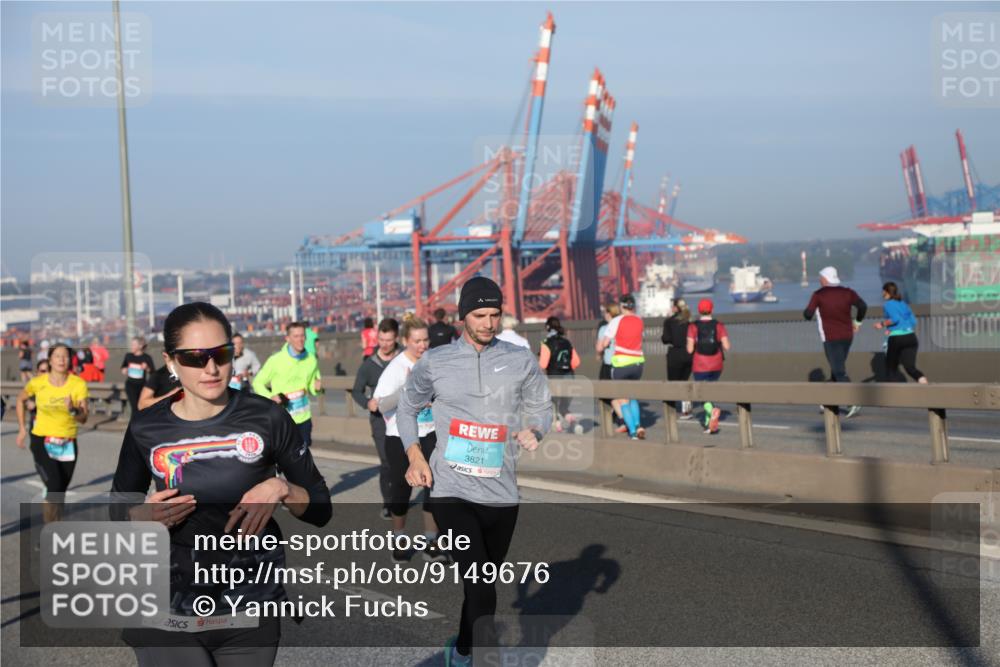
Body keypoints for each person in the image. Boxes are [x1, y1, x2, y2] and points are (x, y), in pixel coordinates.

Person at [111, 302, 331, 667]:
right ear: (170, 362)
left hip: (250, 602)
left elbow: (322, 509)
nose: (211, 368)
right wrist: (140, 515)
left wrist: (282, 488)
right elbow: (118, 510)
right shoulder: (146, 428)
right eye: (195, 358)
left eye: (222, 354)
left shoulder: (268, 417)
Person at [398, 276, 552, 666]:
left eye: (495, 314)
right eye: (479, 314)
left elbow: (542, 407)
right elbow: (406, 408)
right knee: (483, 586)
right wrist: (415, 456)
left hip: (501, 493)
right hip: (451, 491)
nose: (488, 323)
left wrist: (535, 429)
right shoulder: (437, 361)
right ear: (463, 315)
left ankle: (462, 649)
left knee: (480, 586)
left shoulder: (519, 359)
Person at [372, 316, 447, 563]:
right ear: (405, 341)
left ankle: (430, 542)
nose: (423, 345)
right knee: (402, 491)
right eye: (417, 341)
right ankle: (399, 540)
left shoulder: (433, 363)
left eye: (426, 340)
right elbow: (380, 405)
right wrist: (407, 390)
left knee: (433, 487)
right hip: (399, 437)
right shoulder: (396, 367)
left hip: (430, 431)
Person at [15, 343, 88, 523]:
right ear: (50, 359)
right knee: (54, 486)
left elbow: (84, 417)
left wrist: (72, 410)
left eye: (65, 356)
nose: (62, 360)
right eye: (57, 356)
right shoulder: (38, 383)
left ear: (70, 360)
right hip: (42, 440)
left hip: (68, 442)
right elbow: (20, 399)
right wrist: (23, 428)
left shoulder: (77, 384)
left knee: (60, 489)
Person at [351, 317, 401, 520]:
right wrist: (367, 403)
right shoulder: (369, 364)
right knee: (387, 461)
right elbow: (356, 391)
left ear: (396, 338)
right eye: (381, 339)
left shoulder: (405, 358)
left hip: (405, 418)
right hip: (380, 420)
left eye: (389, 340)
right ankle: (389, 503)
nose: (385, 344)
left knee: (407, 460)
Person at [803, 266, 867, 418]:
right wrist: (857, 322)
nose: (819, 280)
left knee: (838, 370)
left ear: (825, 278)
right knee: (835, 368)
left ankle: (852, 401)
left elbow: (808, 314)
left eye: (820, 278)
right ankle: (828, 401)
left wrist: (808, 312)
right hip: (847, 336)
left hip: (830, 338)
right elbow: (863, 306)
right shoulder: (848, 292)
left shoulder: (818, 295)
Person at [253, 321, 323, 449]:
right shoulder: (276, 360)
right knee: (286, 460)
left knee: (303, 458)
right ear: (288, 338)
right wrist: (270, 397)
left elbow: (312, 387)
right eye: (295, 336)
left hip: (304, 417)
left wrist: (316, 388)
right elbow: (257, 382)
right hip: (283, 419)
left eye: (302, 336)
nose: (300, 340)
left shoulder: (311, 359)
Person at [597, 294, 646, 440]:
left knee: (622, 399)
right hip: (638, 363)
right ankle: (638, 425)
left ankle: (632, 431)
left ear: (621, 306)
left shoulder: (616, 321)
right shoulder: (639, 320)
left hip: (621, 363)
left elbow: (604, 344)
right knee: (632, 396)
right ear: (634, 306)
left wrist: (602, 347)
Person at [686, 299, 731, 435]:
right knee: (710, 391)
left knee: (702, 393)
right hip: (716, 364)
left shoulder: (693, 326)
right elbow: (727, 346)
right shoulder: (719, 325)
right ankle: (709, 425)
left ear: (699, 311)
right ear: (712, 310)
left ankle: (712, 411)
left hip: (700, 364)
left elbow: (689, 350)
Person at [874, 281, 928, 384]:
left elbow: (895, 319)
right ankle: (924, 383)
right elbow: (913, 321)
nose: (882, 294)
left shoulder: (888, 304)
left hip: (896, 339)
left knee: (891, 369)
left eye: (883, 292)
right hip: (911, 338)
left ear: (887, 292)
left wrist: (881, 324)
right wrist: (896, 328)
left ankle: (893, 396)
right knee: (910, 368)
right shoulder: (903, 304)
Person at [539, 316, 581, 433]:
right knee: (563, 406)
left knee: (553, 404)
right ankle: (574, 423)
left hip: (554, 377)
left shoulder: (546, 343)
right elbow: (576, 362)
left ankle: (557, 426)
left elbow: (543, 364)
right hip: (569, 377)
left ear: (547, 327)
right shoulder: (567, 342)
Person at [661, 298, 694, 419]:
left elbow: (666, 339)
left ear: (675, 308)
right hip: (689, 354)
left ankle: (671, 410)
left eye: (672, 306)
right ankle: (686, 411)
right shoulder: (690, 321)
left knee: (673, 383)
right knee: (684, 382)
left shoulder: (669, 321)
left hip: (675, 354)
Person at [121, 337, 156, 417]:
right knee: (134, 407)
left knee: (142, 407)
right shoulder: (128, 356)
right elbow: (123, 367)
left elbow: (153, 373)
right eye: (131, 344)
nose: (131, 346)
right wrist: (124, 370)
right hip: (130, 385)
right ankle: (134, 426)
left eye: (133, 345)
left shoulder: (147, 358)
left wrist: (147, 368)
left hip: (142, 386)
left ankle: (141, 424)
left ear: (140, 346)